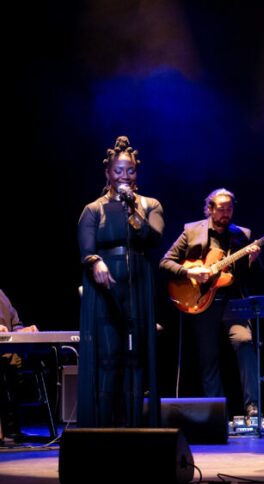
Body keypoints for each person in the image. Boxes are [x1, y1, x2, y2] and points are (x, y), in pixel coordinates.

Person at [77, 136, 164, 427]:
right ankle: (103, 425)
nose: (124, 176)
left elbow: (153, 237)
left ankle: (135, 425)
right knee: (109, 356)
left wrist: (134, 212)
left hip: (137, 282)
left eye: (130, 171)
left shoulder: (149, 204)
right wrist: (95, 261)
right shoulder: (93, 209)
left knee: (135, 356)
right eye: (118, 171)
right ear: (108, 173)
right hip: (106, 289)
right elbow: (86, 249)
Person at [160, 188, 261, 417]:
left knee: (245, 342)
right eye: (221, 208)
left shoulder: (242, 235)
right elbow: (166, 262)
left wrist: (253, 261)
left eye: (229, 208)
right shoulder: (192, 230)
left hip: (233, 301)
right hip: (201, 301)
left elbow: (251, 276)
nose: (226, 213)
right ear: (210, 208)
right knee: (208, 358)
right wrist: (191, 273)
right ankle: (217, 413)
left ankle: (252, 407)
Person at [1, 290, 39, 442]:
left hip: (8, 349)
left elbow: (16, 325)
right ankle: (8, 426)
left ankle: (12, 427)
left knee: (17, 360)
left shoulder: (2, 295)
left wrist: (23, 331)